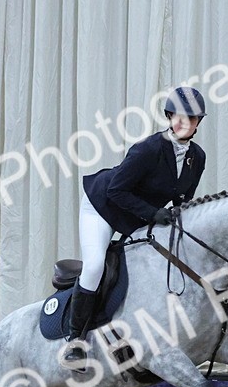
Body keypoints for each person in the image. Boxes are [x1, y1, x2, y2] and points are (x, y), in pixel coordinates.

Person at [64, 86, 208, 363]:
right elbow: (116, 191)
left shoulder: (197, 157)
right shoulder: (148, 149)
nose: (184, 123)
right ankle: (75, 341)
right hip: (102, 206)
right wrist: (154, 214)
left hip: (137, 216)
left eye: (191, 118)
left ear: (198, 122)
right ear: (169, 117)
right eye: (178, 116)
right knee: (94, 265)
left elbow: (183, 200)